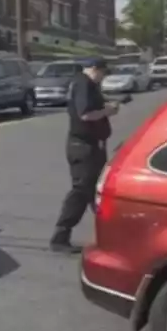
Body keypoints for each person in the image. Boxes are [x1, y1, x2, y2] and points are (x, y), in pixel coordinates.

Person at [50, 57, 120, 254]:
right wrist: (107, 111)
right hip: (83, 147)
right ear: (96, 69)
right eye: (104, 73)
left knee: (96, 190)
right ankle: (60, 236)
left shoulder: (85, 84)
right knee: (81, 191)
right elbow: (85, 114)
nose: (104, 77)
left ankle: (110, 233)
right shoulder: (83, 83)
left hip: (92, 146)